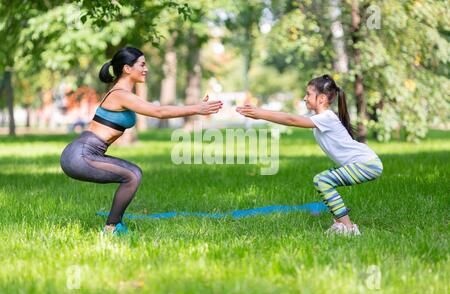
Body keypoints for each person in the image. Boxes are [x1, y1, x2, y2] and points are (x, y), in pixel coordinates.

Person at [60, 47, 222, 235]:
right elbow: (158, 112)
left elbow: (156, 109)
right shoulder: (120, 94)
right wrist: (196, 108)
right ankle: (111, 228)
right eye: (142, 64)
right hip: (81, 155)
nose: (146, 69)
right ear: (127, 69)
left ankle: (112, 227)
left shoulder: (123, 93)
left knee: (132, 173)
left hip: (83, 153)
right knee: (132, 175)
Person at [236, 74, 383, 236]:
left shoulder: (326, 117)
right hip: (366, 163)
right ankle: (341, 222)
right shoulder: (321, 118)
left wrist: (260, 113)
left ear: (321, 98)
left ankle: (348, 228)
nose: (304, 98)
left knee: (323, 180)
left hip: (367, 164)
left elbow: (291, 119)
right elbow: (292, 118)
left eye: (308, 94)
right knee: (324, 181)